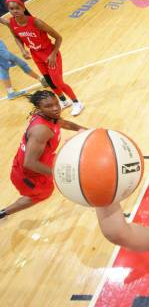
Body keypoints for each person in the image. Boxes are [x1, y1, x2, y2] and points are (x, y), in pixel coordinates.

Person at [0, 90, 85, 220]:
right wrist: (60, 174)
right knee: (42, 195)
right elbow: (30, 163)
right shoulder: (41, 130)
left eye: (56, 103)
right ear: (39, 108)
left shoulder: (49, 116)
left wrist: (85, 130)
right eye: (49, 106)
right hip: (28, 174)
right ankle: (4, 212)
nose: (56, 108)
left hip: (38, 162)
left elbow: (64, 123)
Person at [1, 0, 84, 115]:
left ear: (23, 8)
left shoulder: (36, 22)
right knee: (50, 82)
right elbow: (16, 37)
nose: (14, 11)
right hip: (36, 55)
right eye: (11, 9)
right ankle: (64, 101)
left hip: (49, 54)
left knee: (58, 82)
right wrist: (23, 50)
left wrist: (53, 54)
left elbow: (58, 37)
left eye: (17, 8)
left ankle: (77, 103)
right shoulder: (11, 23)